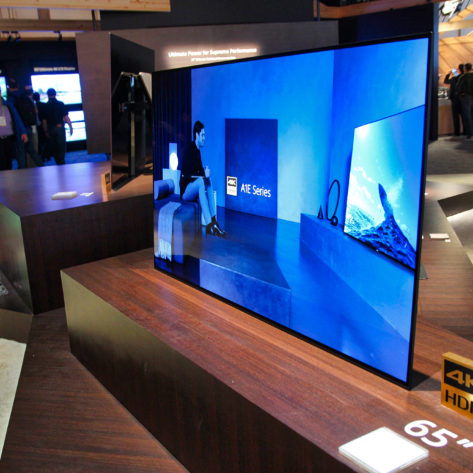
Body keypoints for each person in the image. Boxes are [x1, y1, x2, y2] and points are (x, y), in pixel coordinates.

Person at [180, 121, 225, 236]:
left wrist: (205, 173)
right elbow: (188, 175)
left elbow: (199, 170)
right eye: (203, 135)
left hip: (194, 188)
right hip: (186, 192)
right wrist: (204, 174)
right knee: (201, 181)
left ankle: (214, 221)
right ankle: (209, 224)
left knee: (208, 181)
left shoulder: (198, 151)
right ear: (197, 135)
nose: (204, 138)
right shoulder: (189, 150)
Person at [42, 88, 73, 165]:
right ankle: (61, 162)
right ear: (55, 94)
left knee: (54, 147)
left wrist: (45, 131)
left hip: (50, 128)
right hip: (59, 127)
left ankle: (58, 163)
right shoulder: (60, 104)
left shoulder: (45, 106)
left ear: (47, 95)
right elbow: (66, 117)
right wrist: (70, 126)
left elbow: (44, 120)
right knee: (61, 147)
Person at [16, 85, 43, 167]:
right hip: (29, 126)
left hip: (20, 128)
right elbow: (35, 113)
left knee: (21, 151)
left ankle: (23, 168)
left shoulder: (17, 100)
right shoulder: (30, 101)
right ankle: (40, 165)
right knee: (31, 149)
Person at [0, 96, 28, 170]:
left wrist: (23, 132)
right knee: (2, 163)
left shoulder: (8, 106)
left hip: (9, 138)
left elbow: (17, 119)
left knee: (8, 161)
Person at [444, 64, 464, 136]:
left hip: (455, 99)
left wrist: (449, 73)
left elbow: (446, 81)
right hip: (463, 99)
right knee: (465, 116)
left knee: (456, 117)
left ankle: (457, 132)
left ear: (459, 69)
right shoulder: (464, 77)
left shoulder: (455, 78)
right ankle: (466, 131)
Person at [457, 63, 473, 139]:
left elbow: (458, 87)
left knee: (467, 115)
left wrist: (460, 94)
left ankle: (470, 133)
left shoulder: (463, 77)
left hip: (466, 97)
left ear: (465, 68)